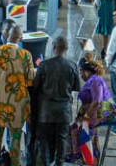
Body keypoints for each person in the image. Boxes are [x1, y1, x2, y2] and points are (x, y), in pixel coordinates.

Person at [0, 25, 33, 166]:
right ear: (20, 38)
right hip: (18, 106)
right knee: (15, 143)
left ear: (7, 35)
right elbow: (30, 80)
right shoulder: (26, 55)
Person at [29, 37, 82, 166]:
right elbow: (77, 87)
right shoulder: (72, 65)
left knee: (44, 140)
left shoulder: (44, 65)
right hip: (64, 111)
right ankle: (59, 163)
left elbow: (35, 87)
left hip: (45, 111)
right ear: (67, 48)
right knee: (62, 139)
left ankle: (46, 163)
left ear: (53, 47)